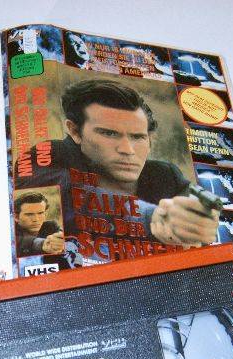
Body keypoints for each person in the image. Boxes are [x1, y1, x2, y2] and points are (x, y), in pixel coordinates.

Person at [15, 79, 219, 253]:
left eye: (138, 137)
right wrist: (152, 217)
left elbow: (198, 211)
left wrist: (198, 221)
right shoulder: (48, 156)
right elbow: (73, 193)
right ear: (75, 132)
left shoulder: (165, 175)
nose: (127, 149)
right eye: (109, 133)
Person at [14, 192, 65, 256]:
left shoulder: (51, 226)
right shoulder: (11, 233)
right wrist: (43, 244)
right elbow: (19, 242)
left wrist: (61, 240)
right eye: (29, 214)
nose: (36, 219)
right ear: (16, 217)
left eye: (40, 213)